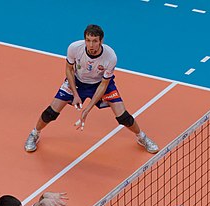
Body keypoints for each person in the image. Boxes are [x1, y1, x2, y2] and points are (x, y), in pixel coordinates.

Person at [23, 24, 159, 154]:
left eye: (94, 41)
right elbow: (69, 69)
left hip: (100, 84)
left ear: (101, 41)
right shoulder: (74, 48)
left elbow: (104, 85)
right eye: (88, 40)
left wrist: (87, 109)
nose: (91, 45)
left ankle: (141, 137)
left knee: (124, 117)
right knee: (51, 112)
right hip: (77, 82)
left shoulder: (110, 57)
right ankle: (35, 133)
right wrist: (75, 94)